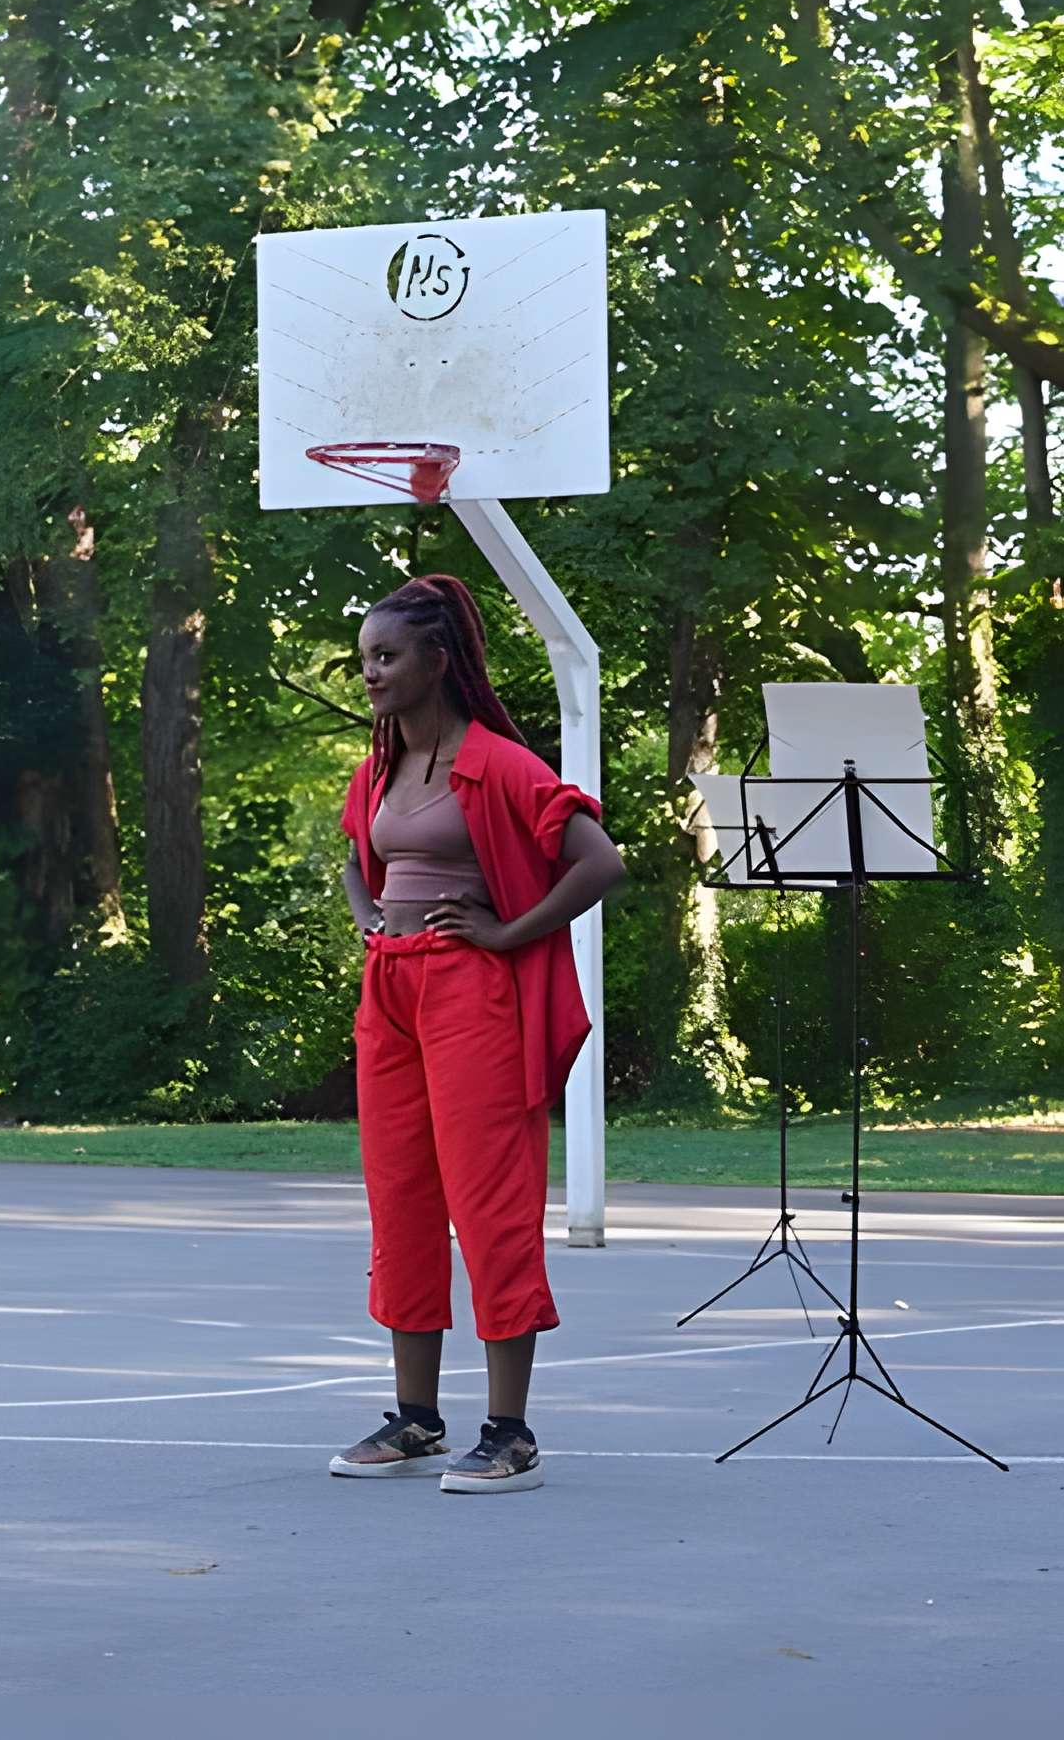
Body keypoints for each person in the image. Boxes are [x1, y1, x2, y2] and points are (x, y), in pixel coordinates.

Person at [328, 573, 625, 1495]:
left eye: (388, 656)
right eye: (367, 657)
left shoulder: (499, 762)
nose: (371, 672)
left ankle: (511, 1432)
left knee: (489, 1205)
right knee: (402, 1199)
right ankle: (417, 1420)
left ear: (439, 661)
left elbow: (598, 862)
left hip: (472, 996)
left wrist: (504, 932)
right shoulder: (378, 769)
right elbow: (355, 859)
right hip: (393, 992)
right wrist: (373, 918)